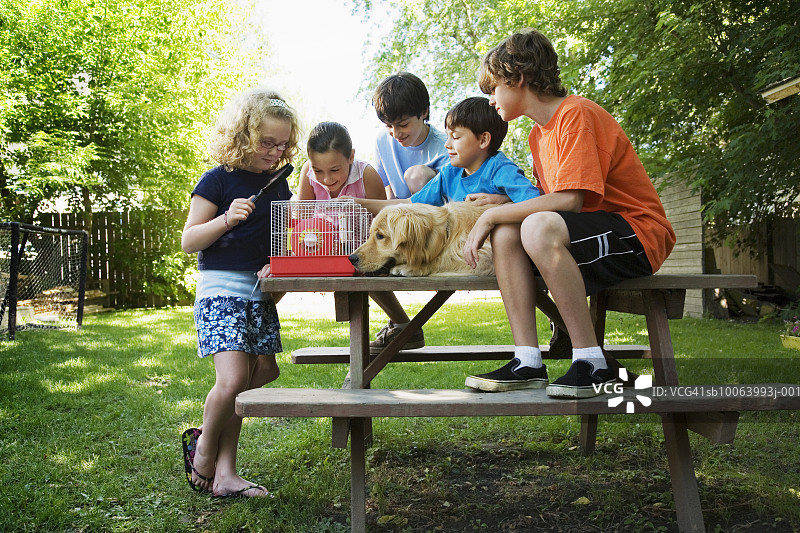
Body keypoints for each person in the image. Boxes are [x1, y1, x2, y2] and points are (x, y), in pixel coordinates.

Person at [462, 29, 676, 398]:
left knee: (530, 226)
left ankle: (592, 362)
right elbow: (553, 200)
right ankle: (527, 359)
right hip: (591, 233)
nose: (491, 99)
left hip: (638, 235)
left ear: (518, 77)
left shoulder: (575, 114)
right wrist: (503, 210)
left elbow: (571, 200)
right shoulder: (537, 135)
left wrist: (491, 216)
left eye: (493, 88)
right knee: (510, 231)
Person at [180, 88, 299, 497]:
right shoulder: (217, 180)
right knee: (233, 381)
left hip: (258, 293)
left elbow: (282, 240)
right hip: (221, 290)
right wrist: (227, 220)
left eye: (282, 144)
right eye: (267, 142)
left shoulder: (278, 186)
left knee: (259, 374)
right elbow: (190, 240)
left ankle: (227, 475)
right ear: (245, 134)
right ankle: (205, 451)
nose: (275, 151)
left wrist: (279, 261)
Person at [367, 72, 450, 353]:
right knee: (362, 262)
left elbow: (440, 205)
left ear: (424, 113)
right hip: (399, 231)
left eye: (402, 124)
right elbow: (390, 194)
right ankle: (401, 324)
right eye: (389, 126)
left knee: (416, 175)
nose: (395, 133)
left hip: (433, 233)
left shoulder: (444, 146)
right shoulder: (383, 141)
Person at [354, 95, 539, 215]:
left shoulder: (500, 169)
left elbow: (535, 202)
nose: (447, 144)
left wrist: (504, 200)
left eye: (456, 137)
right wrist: (357, 203)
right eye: (448, 136)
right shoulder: (449, 173)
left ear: (483, 140)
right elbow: (410, 203)